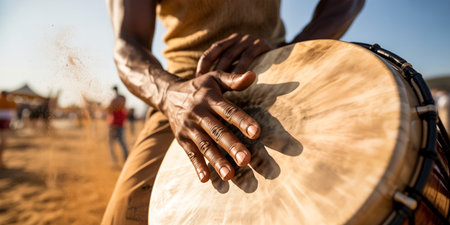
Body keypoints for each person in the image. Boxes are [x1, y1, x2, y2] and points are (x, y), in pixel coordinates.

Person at [102, 0, 365, 224]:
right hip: (185, 88)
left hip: (279, 71)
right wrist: (169, 94)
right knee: (126, 212)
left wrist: (290, 52)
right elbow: (126, 43)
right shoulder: (175, 92)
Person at [106, 86, 129, 165]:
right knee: (117, 144)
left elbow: (111, 108)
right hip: (116, 124)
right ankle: (117, 161)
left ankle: (122, 160)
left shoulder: (118, 99)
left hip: (115, 125)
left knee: (117, 144)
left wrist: (111, 106)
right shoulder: (121, 99)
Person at [0, 91, 17, 169]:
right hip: (5, 122)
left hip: (5, 121)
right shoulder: (10, 102)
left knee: (3, 143)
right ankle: (1, 161)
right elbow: (15, 106)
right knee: (3, 142)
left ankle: (1, 162)